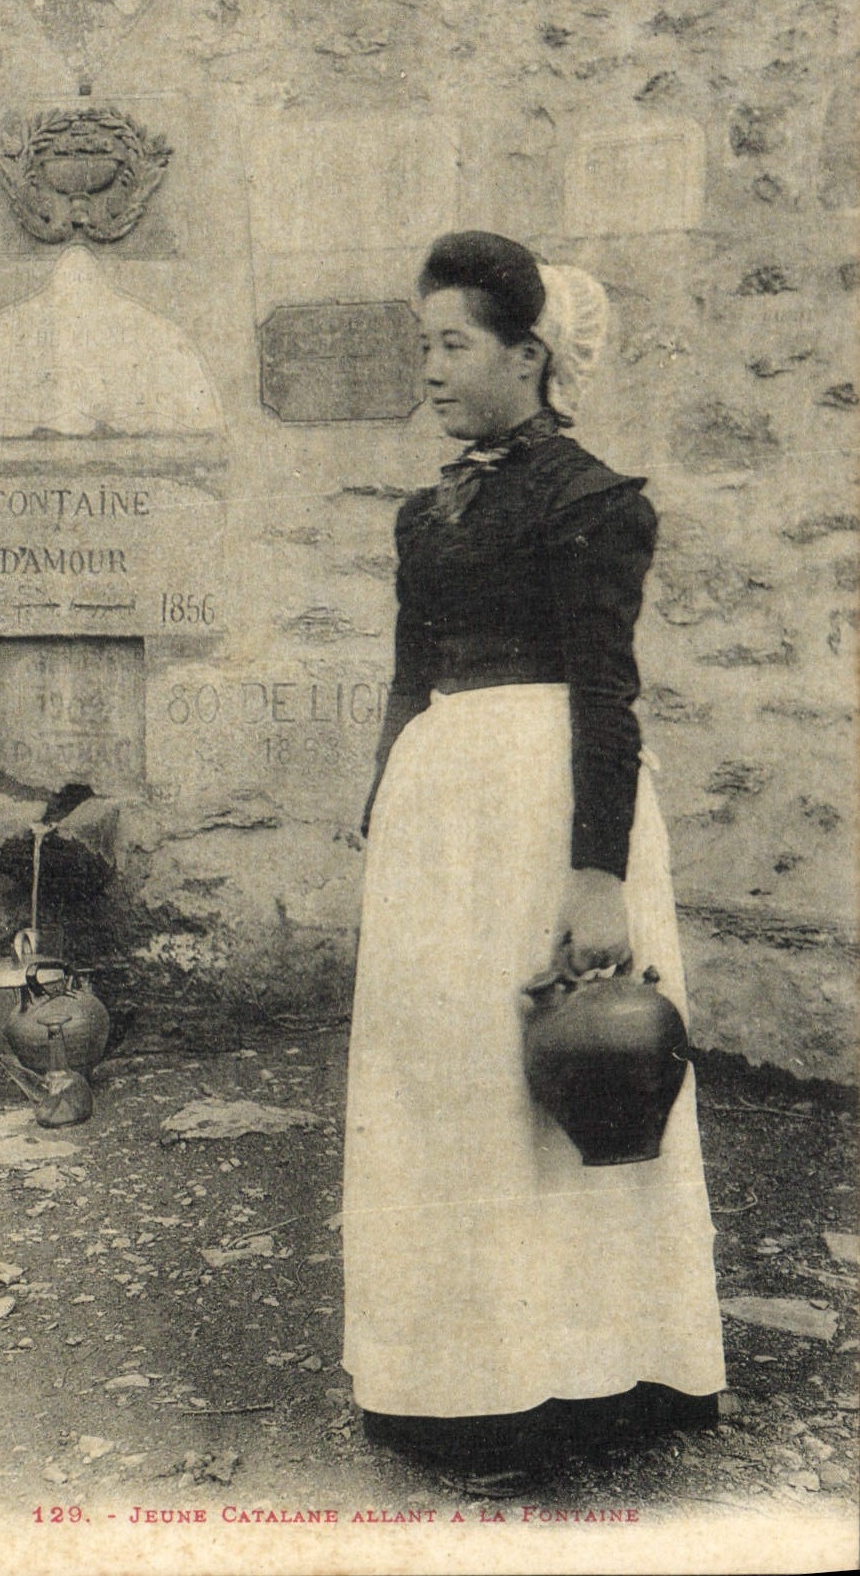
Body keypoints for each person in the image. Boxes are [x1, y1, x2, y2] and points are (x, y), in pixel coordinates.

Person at [342, 232, 725, 1471]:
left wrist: (597, 875)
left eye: (454, 346)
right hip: (442, 813)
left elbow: (607, 700)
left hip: (547, 803)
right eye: (424, 348)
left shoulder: (594, 502)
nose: (432, 372)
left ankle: (597, 1375)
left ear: (530, 354)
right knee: (441, 1079)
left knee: (560, 1071)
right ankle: (452, 1377)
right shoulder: (428, 508)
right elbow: (411, 680)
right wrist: (385, 805)